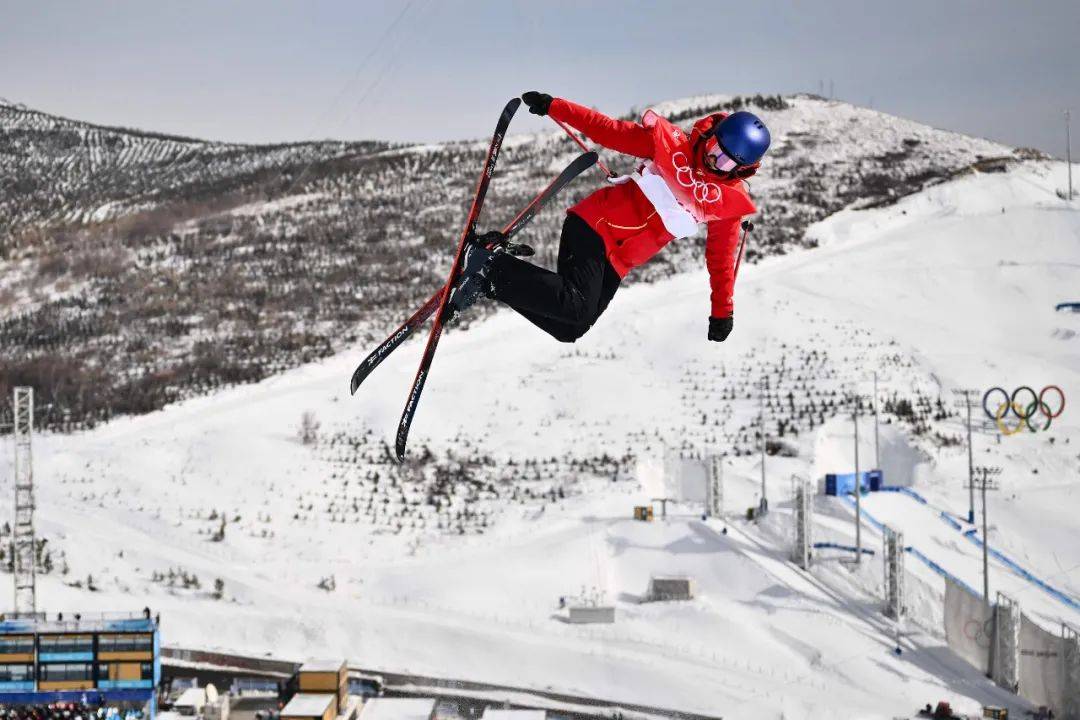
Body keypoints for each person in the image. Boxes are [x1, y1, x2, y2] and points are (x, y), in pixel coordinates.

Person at [448, 91, 770, 345]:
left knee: (570, 329)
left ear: (741, 169)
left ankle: (490, 280)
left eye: (726, 163)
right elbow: (608, 130)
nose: (713, 161)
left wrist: (721, 311)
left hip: (620, 260)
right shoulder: (672, 146)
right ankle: (491, 264)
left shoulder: (725, 203)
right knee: (574, 307)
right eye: (715, 148)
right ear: (711, 134)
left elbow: (721, 260)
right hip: (595, 225)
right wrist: (556, 106)